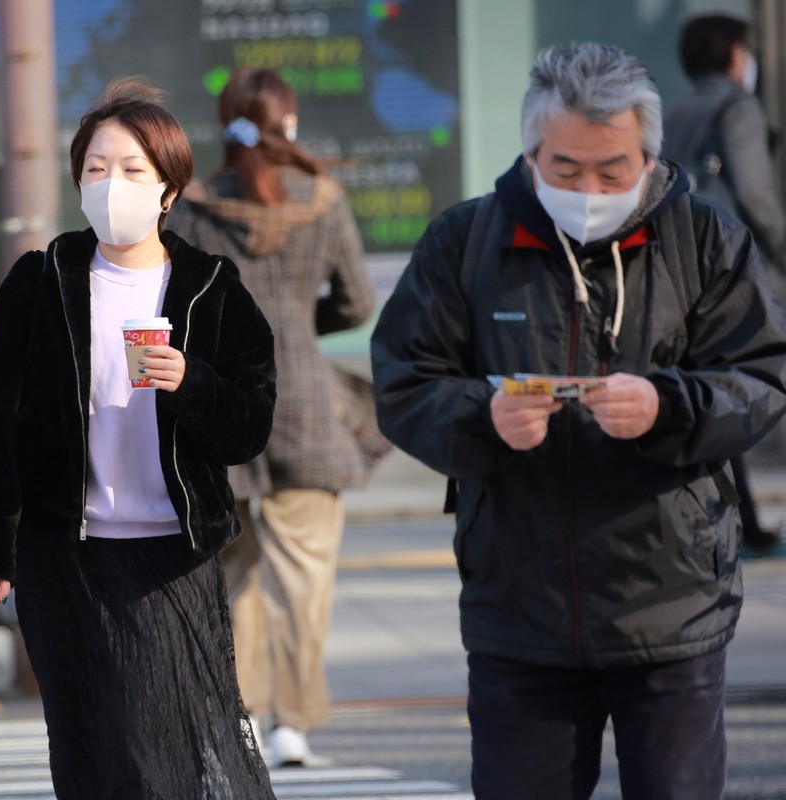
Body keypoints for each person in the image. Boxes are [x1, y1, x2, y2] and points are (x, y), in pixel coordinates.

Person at [370, 43, 786, 800]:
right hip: (518, 611)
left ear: (649, 157)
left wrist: (669, 405)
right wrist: (481, 416)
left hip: (673, 605)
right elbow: (404, 381)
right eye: (566, 169)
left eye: (612, 170)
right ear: (530, 153)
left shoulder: (705, 239)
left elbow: (762, 373)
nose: (589, 188)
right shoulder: (464, 242)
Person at [0, 77, 277, 798]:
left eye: (134, 170)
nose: (112, 186)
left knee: (162, 751)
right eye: (97, 169)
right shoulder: (40, 283)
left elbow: (249, 427)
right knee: (89, 748)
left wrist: (189, 382)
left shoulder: (211, 288)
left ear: (169, 190)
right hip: (64, 558)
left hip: (171, 555)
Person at [167, 66, 377, 767]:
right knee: (305, 581)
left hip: (224, 408)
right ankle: (296, 723)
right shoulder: (323, 202)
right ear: (289, 127)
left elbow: (179, 304)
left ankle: (244, 712)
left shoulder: (194, 208)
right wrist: (298, 326)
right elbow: (358, 302)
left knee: (233, 577)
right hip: (308, 409)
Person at [663, 13, 786, 553]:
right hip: (732, 268)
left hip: (680, 268)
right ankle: (748, 524)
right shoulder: (737, 107)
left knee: (717, 389)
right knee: (753, 381)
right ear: (735, 57)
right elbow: (757, 197)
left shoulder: (673, 110)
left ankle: (746, 524)